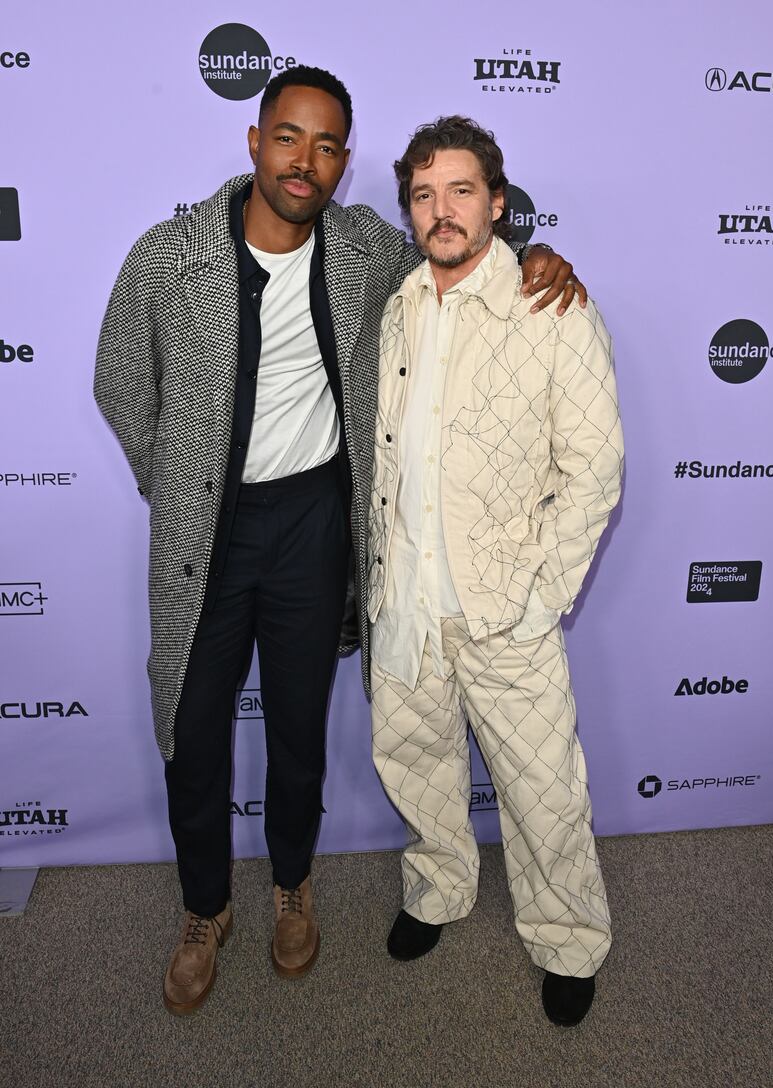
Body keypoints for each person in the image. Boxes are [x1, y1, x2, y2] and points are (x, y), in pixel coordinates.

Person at [94, 66, 585, 1016]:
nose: (305, 161)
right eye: (288, 138)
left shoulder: (364, 249)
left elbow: (460, 247)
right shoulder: (169, 256)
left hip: (316, 521)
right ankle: (205, 910)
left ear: (344, 163)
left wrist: (535, 251)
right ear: (254, 143)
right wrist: (176, 479)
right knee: (193, 733)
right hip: (209, 530)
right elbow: (120, 377)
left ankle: (291, 887)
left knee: (297, 727)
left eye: (326, 146)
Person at [368, 116, 623, 1026]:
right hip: (404, 595)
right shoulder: (394, 304)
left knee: (544, 786)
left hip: (503, 604)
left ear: (497, 204)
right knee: (416, 763)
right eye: (425, 194)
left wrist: (540, 593)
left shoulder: (554, 306)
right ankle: (437, 890)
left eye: (462, 191)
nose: (443, 211)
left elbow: (595, 468)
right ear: (409, 209)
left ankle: (567, 939)